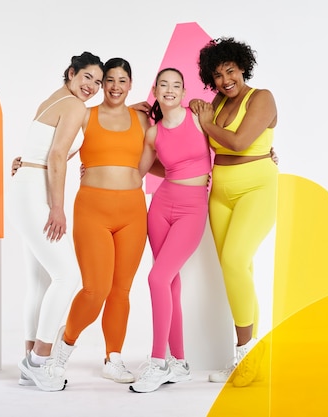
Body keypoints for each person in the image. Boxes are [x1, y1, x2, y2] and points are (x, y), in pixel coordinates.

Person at [50, 57, 152, 384]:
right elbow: (59, 151)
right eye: (109, 80)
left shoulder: (142, 119)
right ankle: (63, 348)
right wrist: (29, 162)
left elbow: (165, 155)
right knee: (95, 289)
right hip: (92, 209)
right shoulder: (85, 115)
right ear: (102, 84)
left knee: (121, 290)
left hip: (134, 212)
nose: (115, 86)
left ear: (131, 84)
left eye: (122, 80)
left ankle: (114, 358)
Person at [7, 52, 104, 392]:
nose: (91, 86)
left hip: (26, 185)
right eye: (87, 77)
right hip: (36, 191)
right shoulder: (74, 106)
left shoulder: (58, 100)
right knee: (66, 276)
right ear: (72, 72)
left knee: (39, 280)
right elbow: (57, 155)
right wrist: (58, 208)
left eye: (97, 81)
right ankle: (40, 361)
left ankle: (28, 363)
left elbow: (48, 148)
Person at [192, 37, 279, 386]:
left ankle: (244, 354)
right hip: (221, 192)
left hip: (256, 187)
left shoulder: (262, 97)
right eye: (217, 74)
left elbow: (241, 142)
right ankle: (251, 356)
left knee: (234, 261)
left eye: (230, 70)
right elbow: (196, 141)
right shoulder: (214, 102)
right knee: (238, 268)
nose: (225, 79)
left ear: (243, 66)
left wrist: (205, 124)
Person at [128, 68, 212, 393]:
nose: (170, 90)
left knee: (157, 278)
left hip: (193, 208)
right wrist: (96, 168)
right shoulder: (153, 133)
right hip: (161, 207)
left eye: (176, 85)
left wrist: (264, 155)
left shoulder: (197, 116)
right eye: (163, 85)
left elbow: (225, 143)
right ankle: (178, 363)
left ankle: (157, 362)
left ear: (183, 90)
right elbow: (138, 174)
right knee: (169, 283)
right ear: (155, 90)